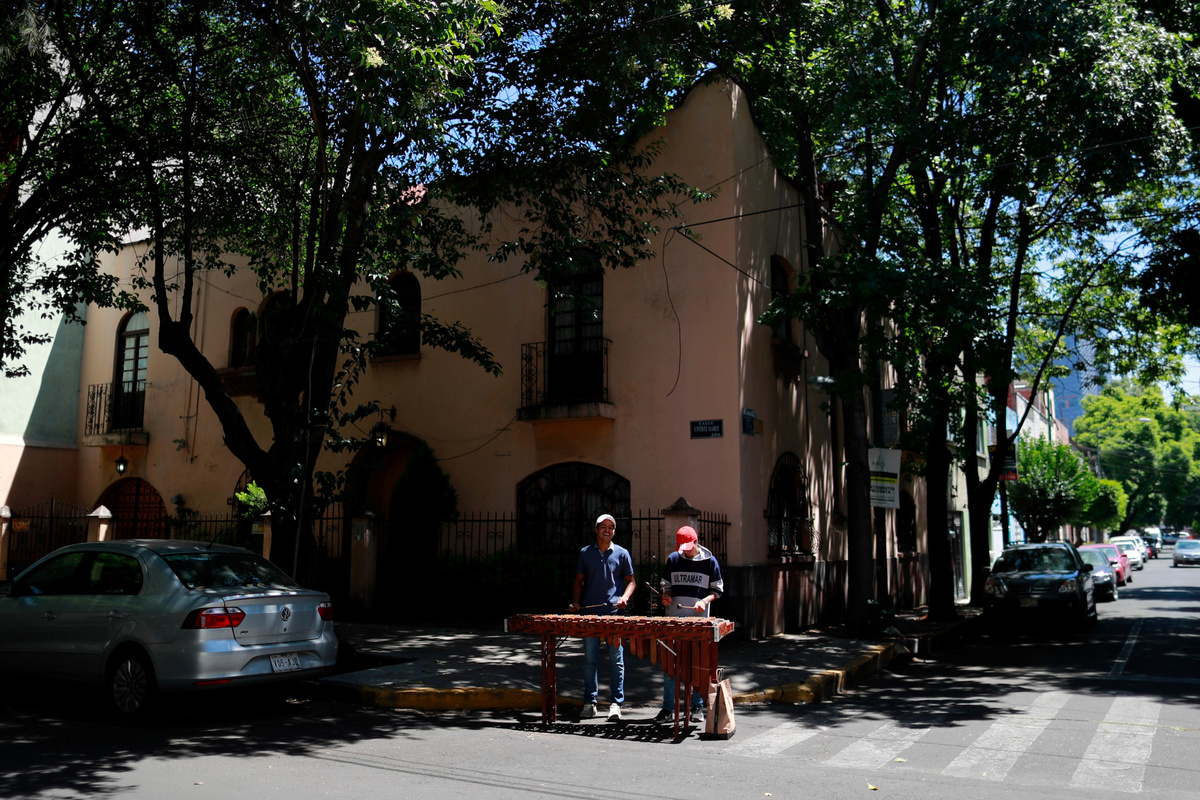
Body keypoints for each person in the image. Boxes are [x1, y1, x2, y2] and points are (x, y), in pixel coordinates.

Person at [569, 513, 635, 721]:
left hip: (614, 615)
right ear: (596, 529)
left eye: (611, 527)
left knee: (616, 660)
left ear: (614, 531)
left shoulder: (622, 553)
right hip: (590, 615)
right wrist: (576, 602)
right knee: (590, 660)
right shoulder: (585, 553)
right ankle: (590, 702)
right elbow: (579, 580)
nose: (607, 530)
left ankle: (616, 703)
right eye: (603, 526)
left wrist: (624, 597)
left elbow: (632, 581)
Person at [656, 525, 723, 724]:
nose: (685, 550)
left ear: (696, 541)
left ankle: (697, 706)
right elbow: (666, 586)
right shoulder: (673, 559)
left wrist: (705, 601)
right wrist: (666, 597)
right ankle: (667, 708)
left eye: (688, 546)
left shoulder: (710, 561)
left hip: (699, 623)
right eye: (682, 547)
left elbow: (717, 590)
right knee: (670, 667)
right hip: (675, 621)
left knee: (697, 666)